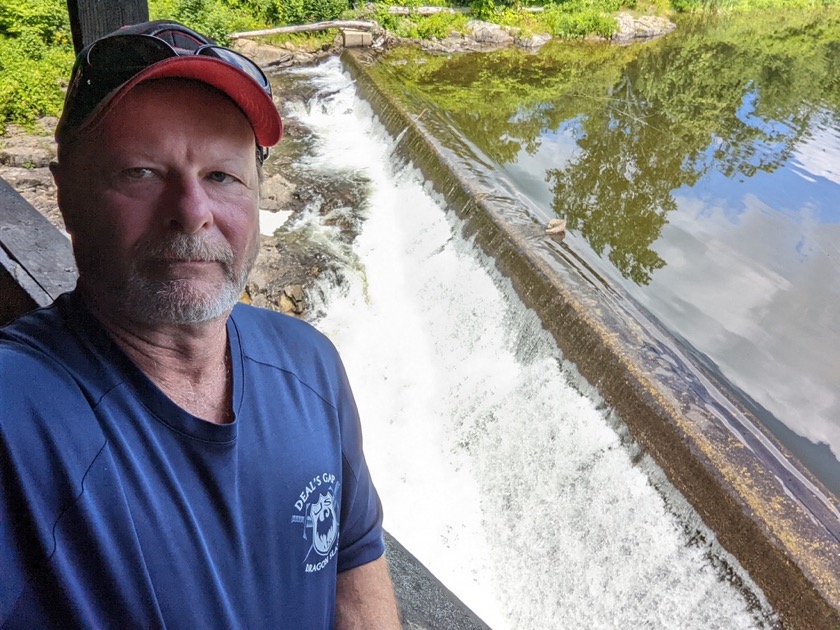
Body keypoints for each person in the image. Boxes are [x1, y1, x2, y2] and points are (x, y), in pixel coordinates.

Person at [0, 20, 400, 629]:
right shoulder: (18, 414)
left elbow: (354, 569)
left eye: (221, 176)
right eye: (141, 172)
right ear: (66, 196)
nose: (192, 213)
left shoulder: (310, 362)